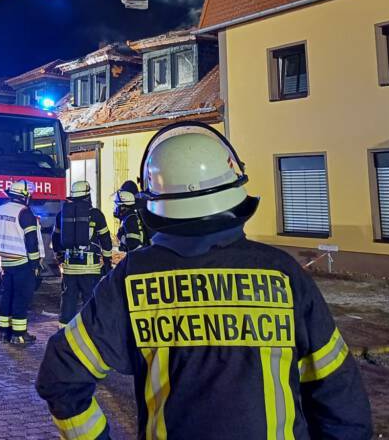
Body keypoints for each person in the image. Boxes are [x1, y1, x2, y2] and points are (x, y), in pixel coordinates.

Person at [37, 123, 372, 439]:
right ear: (235, 187)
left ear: (153, 201)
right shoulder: (281, 272)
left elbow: (61, 374)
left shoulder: (133, 277)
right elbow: (338, 390)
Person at [51, 180, 112, 327]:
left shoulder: (62, 215)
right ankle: (90, 330)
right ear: (87, 196)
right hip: (90, 268)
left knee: (68, 300)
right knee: (90, 300)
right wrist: (107, 260)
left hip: (70, 267)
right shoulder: (96, 215)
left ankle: (64, 331)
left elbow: (55, 238)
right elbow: (105, 239)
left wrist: (59, 258)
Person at [0, 179, 42, 346]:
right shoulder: (25, 213)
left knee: (6, 296)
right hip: (22, 262)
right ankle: (19, 334)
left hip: (4, 262)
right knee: (21, 297)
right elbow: (31, 243)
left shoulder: (0, 210)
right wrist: (36, 265)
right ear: (25, 196)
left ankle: (4, 332)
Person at [114, 187, 145, 256]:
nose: (116, 208)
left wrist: (121, 236)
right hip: (138, 253)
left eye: (118, 205)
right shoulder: (130, 216)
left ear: (124, 206)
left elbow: (133, 243)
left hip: (136, 255)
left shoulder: (130, 219)